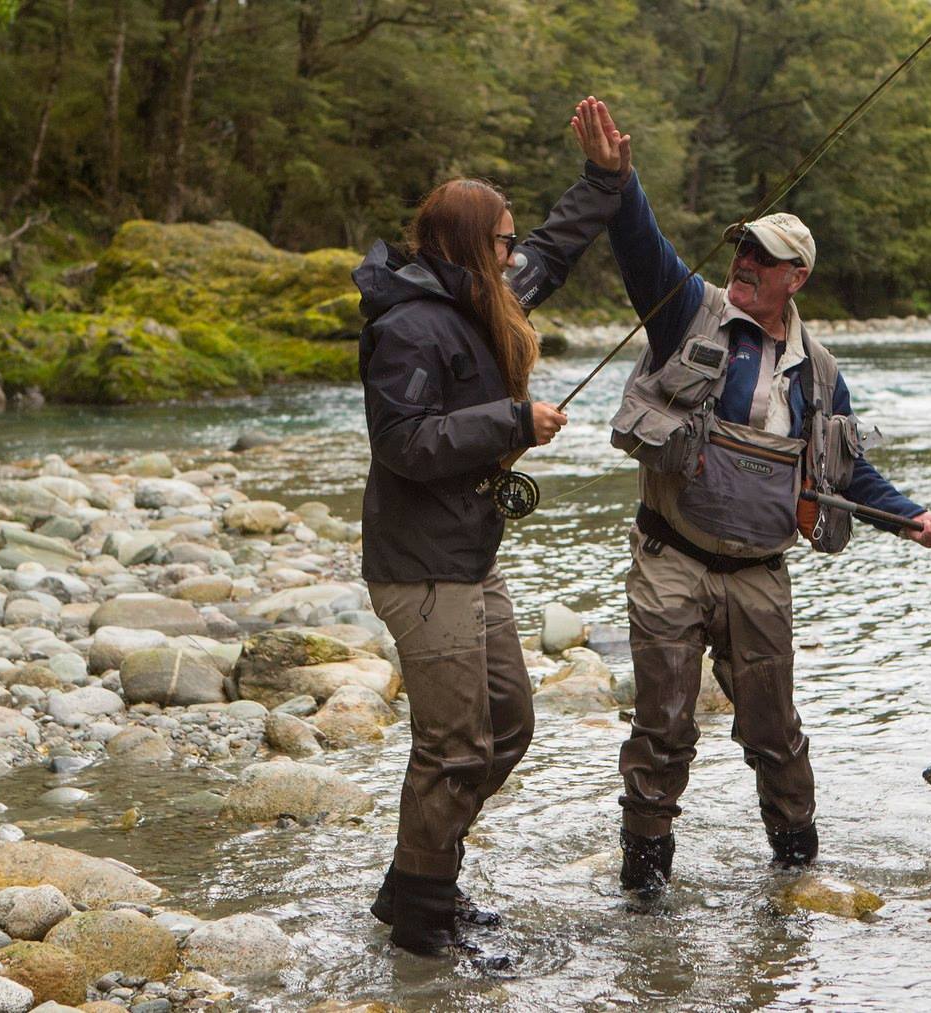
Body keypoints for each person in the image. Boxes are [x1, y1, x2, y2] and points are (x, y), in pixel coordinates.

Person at [572, 97, 931, 898]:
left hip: (759, 572)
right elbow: (639, 246)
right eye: (743, 249)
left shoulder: (819, 373)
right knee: (664, 727)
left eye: (766, 257)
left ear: (797, 277)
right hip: (670, 557)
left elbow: (848, 474)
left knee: (774, 734)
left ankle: (797, 873)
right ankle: (643, 888)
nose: (746, 262)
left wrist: (914, 518)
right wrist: (616, 179)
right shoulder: (686, 313)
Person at [352, 107, 630, 954]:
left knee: (507, 724)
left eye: (511, 243)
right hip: (418, 564)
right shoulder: (406, 323)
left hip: (468, 554)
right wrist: (510, 420)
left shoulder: (484, 294)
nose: (515, 254)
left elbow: (554, 247)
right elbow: (402, 443)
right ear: (469, 245)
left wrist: (605, 181)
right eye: (501, 241)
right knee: (453, 744)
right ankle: (424, 924)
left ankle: (413, 880)